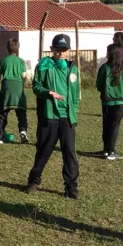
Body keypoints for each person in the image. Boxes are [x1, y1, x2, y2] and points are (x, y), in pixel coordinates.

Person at [24, 34, 80, 199]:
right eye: (57, 50)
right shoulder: (44, 66)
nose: (60, 53)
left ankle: (71, 186)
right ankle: (34, 180)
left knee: (69, 152)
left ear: (69, 51)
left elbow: (76, 94)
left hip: (67, 118)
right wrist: (48, 93)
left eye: (64, 50)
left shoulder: (73, 69)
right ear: (52, 49)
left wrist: (73, 114)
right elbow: (36, 87)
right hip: (49, 116)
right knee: (44, 150)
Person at [96, 44, 123, 160]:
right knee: (115, 126)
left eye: (107, 51)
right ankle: (111, 151)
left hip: (106, 102)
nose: (106, 54)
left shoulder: (104, 68)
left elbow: (98, 85)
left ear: (111, 53)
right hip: (120, 102)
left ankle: (106, 150)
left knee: (106, 125)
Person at [0, 38, 29, 144]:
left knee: (2, 113)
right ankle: (23, 130)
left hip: (6, 87)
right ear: (18, 49)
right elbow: (24, 76)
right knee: (21, 113)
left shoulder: (3, 61)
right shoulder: (21, 61)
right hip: (18, 87)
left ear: (7, 48)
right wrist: (22, 86)